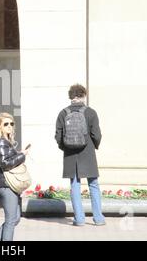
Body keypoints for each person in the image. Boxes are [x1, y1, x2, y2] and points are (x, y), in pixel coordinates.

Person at [55, 84, 105, 226]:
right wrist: (94, 145)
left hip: (70, 154)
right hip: (87, 152)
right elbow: (97, 134)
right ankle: (98, 218)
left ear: (70, 96)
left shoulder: (63, 113)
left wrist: (65, 147)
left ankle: (79, 219)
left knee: (75, 185)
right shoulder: (91, 112)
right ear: (83, 95)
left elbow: (58, 136)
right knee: (93, 184)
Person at [0, 113, 29, 241]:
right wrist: (22, 155)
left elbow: (7, 159)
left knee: (15, 218)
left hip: (9, 183)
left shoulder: (5, 141)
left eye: (11, 124)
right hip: (6, 184)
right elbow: (4, 163)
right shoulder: (0, 142)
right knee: (10, 221)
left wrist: (18, 153)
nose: (9, 126)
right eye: (6, 124)